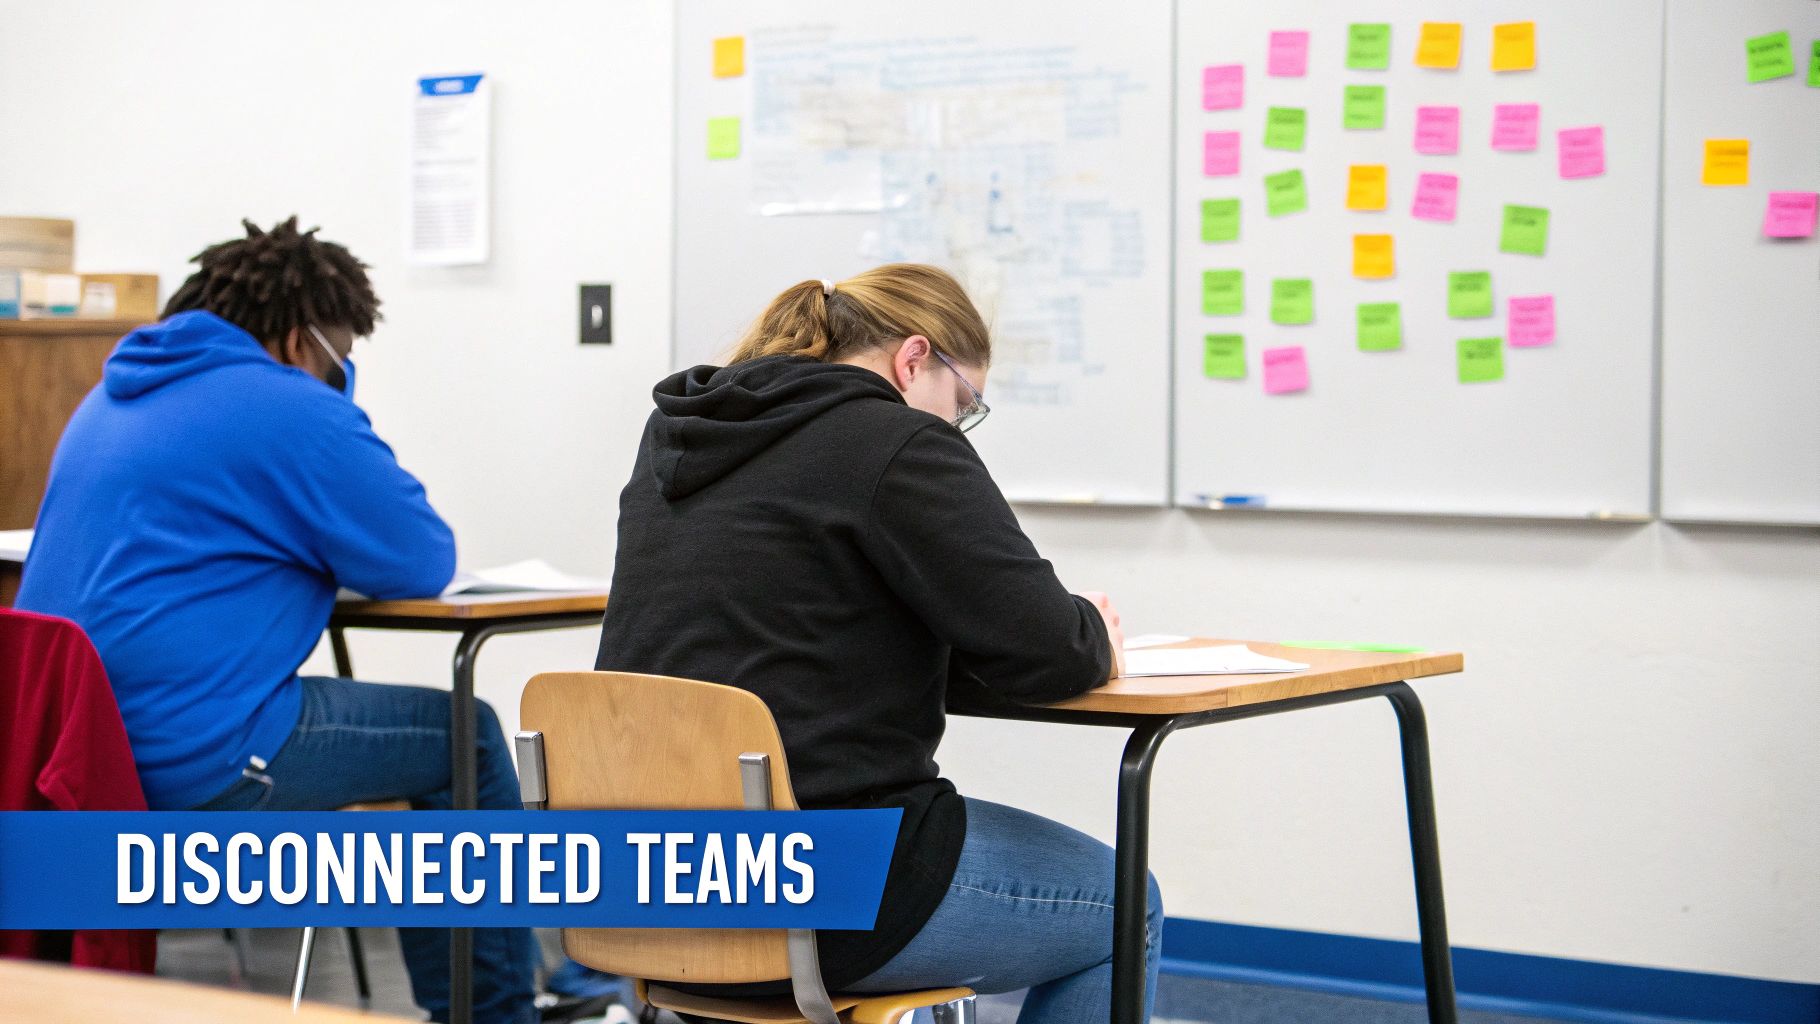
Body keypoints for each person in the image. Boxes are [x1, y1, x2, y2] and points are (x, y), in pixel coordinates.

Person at [594, 264, 1162, 1023]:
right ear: (914, 358)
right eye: (964, 403)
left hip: (634, 879)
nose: (957, 426)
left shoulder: (676, 437)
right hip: (817, 882)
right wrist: (1096, 633)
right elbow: (1050, 650)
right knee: (1126, 907)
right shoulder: (894, 439)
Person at [17, 218, 538, 1024]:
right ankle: (494, 1016)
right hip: (193, 755)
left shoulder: (109, 396)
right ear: (301, 342)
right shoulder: (290, 407)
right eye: (340, 357)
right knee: (466, 738)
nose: (342, 375)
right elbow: (421, 559)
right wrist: (330, 416)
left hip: (69, 759)